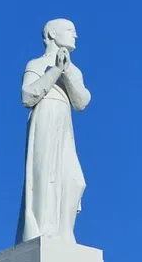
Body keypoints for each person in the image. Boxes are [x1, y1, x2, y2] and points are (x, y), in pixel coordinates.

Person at [16, 19, 91, 243]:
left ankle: (64, 232)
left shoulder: (73, 70)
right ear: (52, 34)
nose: (75, 35)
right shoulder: (37, 64)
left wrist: (65, 72)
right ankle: (44, 229)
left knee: (74, 180)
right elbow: (27, 96)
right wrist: (55, 70)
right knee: (45, 173)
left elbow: (82, 102)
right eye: (70, 30)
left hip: (64, 122)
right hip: (45, 116)